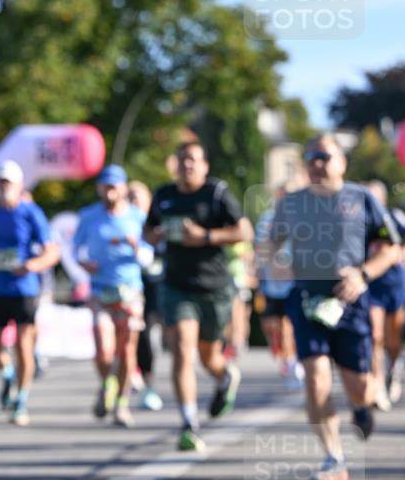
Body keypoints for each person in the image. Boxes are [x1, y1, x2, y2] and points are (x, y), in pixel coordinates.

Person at [269, 134, 400, 480]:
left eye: (324, 156)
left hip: (351, 302)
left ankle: (361, 406)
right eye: (310, 157)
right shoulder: (292, 203)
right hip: (307, 300)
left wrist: (363, 274)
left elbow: (391, 248)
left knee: (360, 387)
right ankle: (333, 456)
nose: (316, 163)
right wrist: (273, 264)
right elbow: (271, 243)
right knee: (316, 375)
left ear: (342, 162)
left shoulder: (362, 199)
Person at [145, 140, 248, 451]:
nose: (186, 165)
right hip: (177, 286)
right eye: (181, 159)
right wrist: (157, 235)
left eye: (192, 160)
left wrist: (205, 236)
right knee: (181, 350)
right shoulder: (163, 195)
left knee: (208, 357)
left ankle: (224, 376)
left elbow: (244, 231)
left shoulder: (216, 193)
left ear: (204, 166)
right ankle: (189, 423)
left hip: (214, 288)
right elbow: (147, 232)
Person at [0, 160, 59, 426]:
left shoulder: (31, 213)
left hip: (23, 289)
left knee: (24, 346)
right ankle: (7, 373)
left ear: (19, 186)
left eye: (9, 182)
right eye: (1, 182)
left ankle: (21, 400)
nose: (5, 187)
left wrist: (32, 265)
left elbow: (52, 252)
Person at [73, 165, 150, 428]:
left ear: (123, 189)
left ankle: (122, 403)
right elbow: (75, 251)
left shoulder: (137, 218)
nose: (109, 192)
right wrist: (84, 264)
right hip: (99, 291)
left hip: (130, 291)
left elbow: (150, 257)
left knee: (127, 350)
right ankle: (107, 382)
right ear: (99, 189)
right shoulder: (89, 216)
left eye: (114, 187)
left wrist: (137, 247)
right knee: (104, 351)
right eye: (105, 187)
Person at [365, 181, 405, 407]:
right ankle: (377, 384)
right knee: (375, 335)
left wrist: (401, 253)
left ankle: (394, 367)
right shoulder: (360, 221)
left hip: (393, 284)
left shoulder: (394, 217)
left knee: (393, 339)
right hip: (371, 285)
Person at [254, 186, 304, 389]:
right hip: (272, 282)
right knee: (272, 324)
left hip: (294, 281)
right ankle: (289, 359)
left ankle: (293, 363)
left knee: (289, 325)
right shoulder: (267, 218)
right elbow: (260, 247)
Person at [128, 180, 163, 412]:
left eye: (138, 196)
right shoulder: (123, 222)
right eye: (129, 196)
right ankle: (133, 376)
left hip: (155, 287)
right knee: (135, 334)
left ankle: (149, 382)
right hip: (129, 288)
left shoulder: (155, 223)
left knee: (149, 334)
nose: (133, 201)